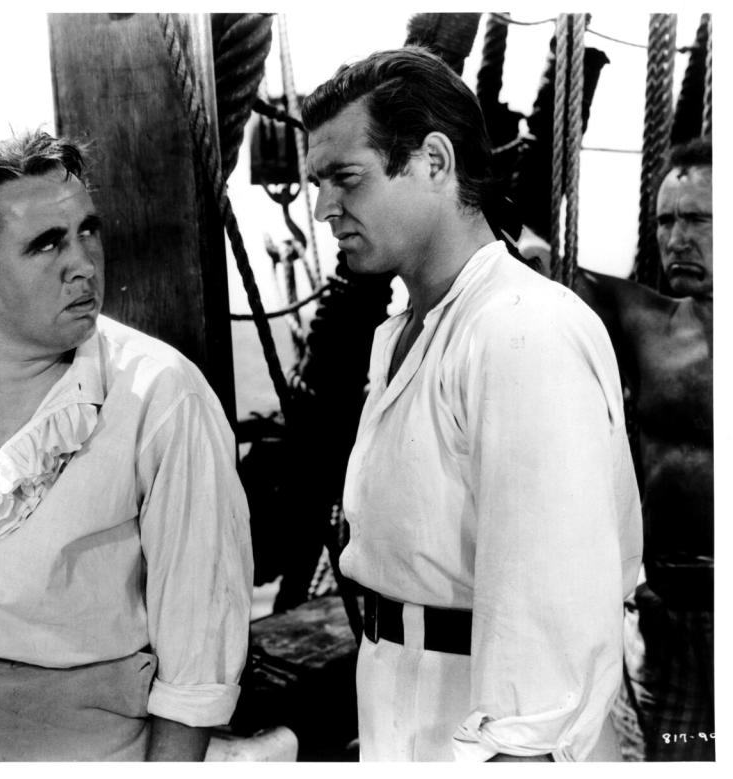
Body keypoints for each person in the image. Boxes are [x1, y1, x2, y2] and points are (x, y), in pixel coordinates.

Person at [301, 47, 643, 762]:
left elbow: (547, 616)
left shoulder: (521, 330)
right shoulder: (403, 334)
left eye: (346, 179)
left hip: (490, 733)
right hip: (406, 702)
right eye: (317, 183)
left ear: (433, 161)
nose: (326, 208)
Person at [0, 130, 253, 761]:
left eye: (88, 230)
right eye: (47, 243)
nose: (84, 263)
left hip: (91, 749)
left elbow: (198, 663)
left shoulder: (161, 395)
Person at [573, 138, 714, 761]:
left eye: (698, 219)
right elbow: (534, 256)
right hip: (668, 617)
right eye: (666, 220)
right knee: (680, 758)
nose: (676, 238)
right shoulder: (646, 322)